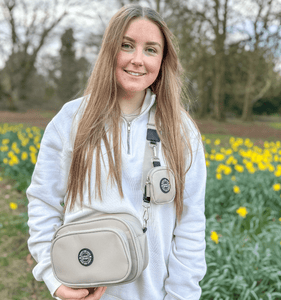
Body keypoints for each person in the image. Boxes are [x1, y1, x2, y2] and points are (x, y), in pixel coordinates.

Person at [27, 4, 207, 300]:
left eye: (151, 50)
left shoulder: (182, 131)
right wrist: (53, 277)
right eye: (127, 45)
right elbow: (43, 203)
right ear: (110, 50)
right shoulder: (70, 120)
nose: (138, 60)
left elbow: (190, 223)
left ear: (163, 60)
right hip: (82, 291)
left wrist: (181, 296)